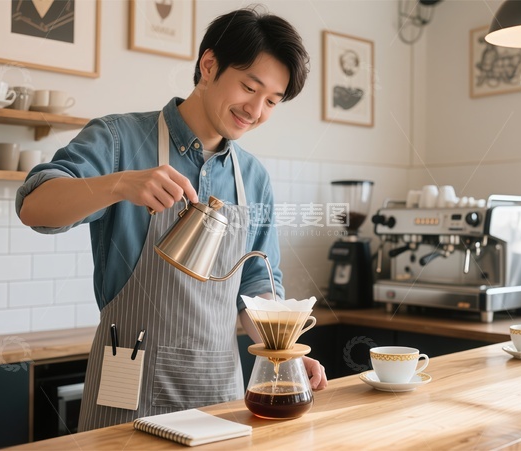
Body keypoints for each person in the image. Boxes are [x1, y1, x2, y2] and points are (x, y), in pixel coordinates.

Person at [16, 6, 327, 431]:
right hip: (127, 388)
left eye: (271, 101)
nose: (255, 110)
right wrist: (120, 184)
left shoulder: (253, 177)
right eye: (250, 87)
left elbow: (257, 287)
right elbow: (34, 206)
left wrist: (286, 353)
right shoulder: (119, 138)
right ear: (209, 65)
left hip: (219, 391)